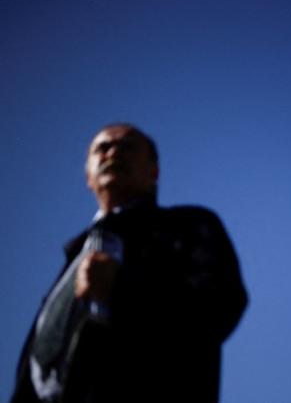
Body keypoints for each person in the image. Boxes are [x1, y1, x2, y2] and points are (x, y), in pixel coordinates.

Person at [11, 124, 248, 403]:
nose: (113, 154)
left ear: (153, 173)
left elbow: (219, 304)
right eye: (102, 148)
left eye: (127, 148)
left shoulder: (187, 227)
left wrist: (122, 288)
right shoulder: (72, 263)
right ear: (88, 175)